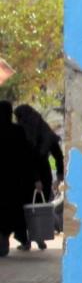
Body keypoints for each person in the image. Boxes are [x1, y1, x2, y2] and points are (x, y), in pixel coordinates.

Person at [14, 104, 63, 250]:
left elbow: (28, 159)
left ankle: (25, 241)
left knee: (24, 211)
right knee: (38, 209)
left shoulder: (24, 132)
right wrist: (59, 175)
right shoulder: (45, 130)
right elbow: (58, 155)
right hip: (45, 174)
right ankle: (39, 236)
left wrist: (36, 180)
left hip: (27, 177)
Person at [0, 101, 41, 256]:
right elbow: (27, 156)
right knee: (16, 211)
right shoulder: (18, 131)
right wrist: (36, 178)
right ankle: (22, 238)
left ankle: (4, 240)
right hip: (15, 181)